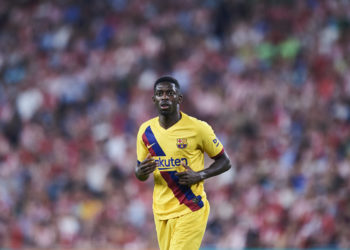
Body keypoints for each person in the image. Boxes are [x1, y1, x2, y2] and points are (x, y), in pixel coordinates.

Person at [135, 76, 231, 250]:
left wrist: (200, 175)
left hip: (190, 207)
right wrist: (140, 173)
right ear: (154, 99)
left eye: (170, 93)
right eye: (160, 94)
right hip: (161, 211)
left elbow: (225, 161)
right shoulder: (145, 131)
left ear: (179, 98)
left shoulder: (197, 128)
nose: (164, 97)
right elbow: (140, 172)